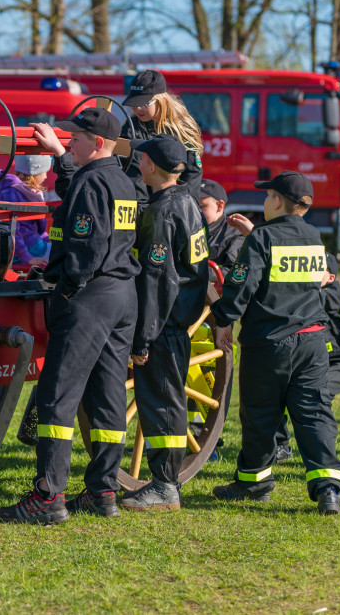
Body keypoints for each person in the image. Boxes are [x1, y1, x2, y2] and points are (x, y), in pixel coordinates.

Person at [0, 107, 139, 524]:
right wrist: (61, 155)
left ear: (97, 144)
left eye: (75, 139)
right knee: (109, 396)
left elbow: (87, 249)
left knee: (57, 396)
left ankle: (47, 496)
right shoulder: (123, 180)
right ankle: (102, 490)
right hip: (122, 295)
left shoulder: (92, 183)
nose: (68, 142)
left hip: (90, 296)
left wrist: (66, 286)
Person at [209, 170, 340, 515]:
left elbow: (241, 285)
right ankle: (328, 488)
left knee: (260, 414)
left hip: (269, 343)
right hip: (313, 341)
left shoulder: (263, 237)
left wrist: (223, 320)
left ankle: (254, 483)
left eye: (267, 196)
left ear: (279, 201)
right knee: (314, 413)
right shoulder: (314, 236)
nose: (264, 201)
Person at [119, 135, 209, 511]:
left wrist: (143, 338)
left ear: (150, 166)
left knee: (160, 403)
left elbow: (157, 280)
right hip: (179, 321)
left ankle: (164, 484)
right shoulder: (188, 203)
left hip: (163, 325)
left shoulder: (161, 213)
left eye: (141, 158)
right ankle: (165, 482)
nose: (139, 162)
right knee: (167, 400)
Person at [273, 253, 340, 462]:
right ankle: (280, 445)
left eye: (317, 269)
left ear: (330, 278)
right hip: (314, 360)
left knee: (315, 397)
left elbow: (306, 297)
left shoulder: (330, 293)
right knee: (277, 390)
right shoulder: (311, 293)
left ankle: (323, 454)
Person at [120, 69, 204, 206]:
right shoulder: (131, 128)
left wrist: (186, 208)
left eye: (144, 103)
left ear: (162, 101)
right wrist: (142, 209)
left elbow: (192, 175)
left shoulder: (183, 128)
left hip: (177, 204)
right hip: (143, 205)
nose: (138, 109)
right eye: (134, 103)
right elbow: (133, 174)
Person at [0, 154, 52, 267]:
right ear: (34, 172)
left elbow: (31, 227)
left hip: (31, 245)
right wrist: (28, 258)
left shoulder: (24, 191)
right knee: (64, 254)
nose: (46, 176)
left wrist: (46, 238)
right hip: (26, 250)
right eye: (44, 171)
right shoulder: (13, 193)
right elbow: (12, 229)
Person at [199, 179, 244, 275]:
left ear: (220, 206)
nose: (196, 211)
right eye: (193, 205)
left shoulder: (235, 234)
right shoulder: (186, 229)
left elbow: (233, 272)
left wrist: (193, 271)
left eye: (202, 206)